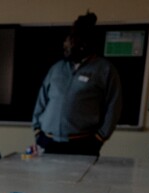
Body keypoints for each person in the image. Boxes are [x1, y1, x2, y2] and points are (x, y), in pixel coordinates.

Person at [32, 12, 122, 156]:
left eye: (72, 41)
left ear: (84, 43)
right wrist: (37, 131)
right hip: (47, 142)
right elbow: (41, 101)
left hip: (82, 145)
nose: (66, 44)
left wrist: (100, 138)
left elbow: (114, 107)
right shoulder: (56, 68)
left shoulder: (105, 70)